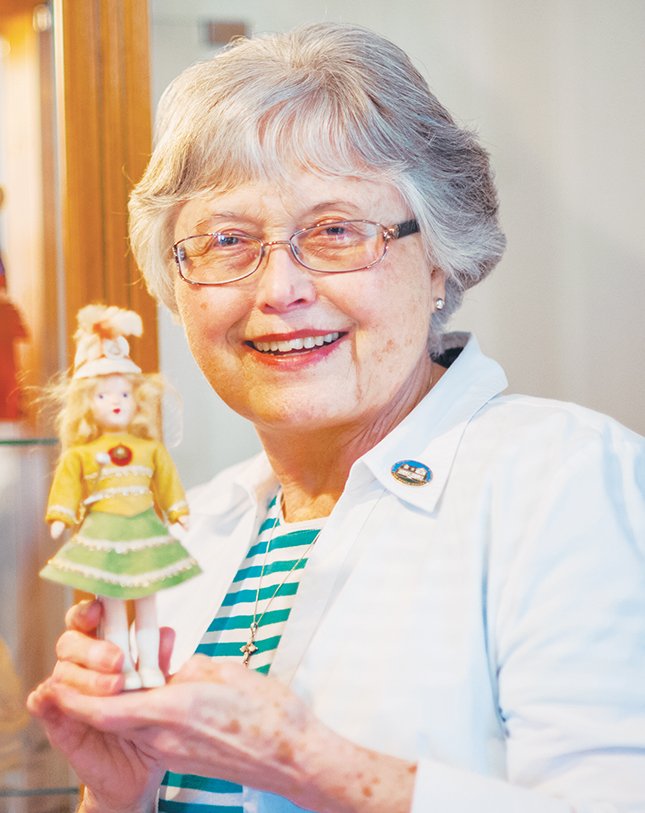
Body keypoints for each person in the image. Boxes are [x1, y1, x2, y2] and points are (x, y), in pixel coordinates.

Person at [27, 21, 645, 813]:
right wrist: (119, 796)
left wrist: (312, 763)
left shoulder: (566, 480)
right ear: (175, 286)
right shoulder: (191, 534)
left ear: (439, 261)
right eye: (226, 240)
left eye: (334, 231)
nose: (279, 288)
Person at [39, 303, 201, 691]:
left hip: (143, 529)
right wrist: (60, 515)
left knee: (147, 605)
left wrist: (178, 510)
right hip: (104, 533)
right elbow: (67, 484)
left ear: (137, 398)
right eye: (104, 396)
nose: (116, 401)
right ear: (86, 405)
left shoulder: (149, 448)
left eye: (125, 393)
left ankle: (151, 668)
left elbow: (165, 481)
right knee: (111, 607)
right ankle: (122, 668)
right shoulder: (80, 453)